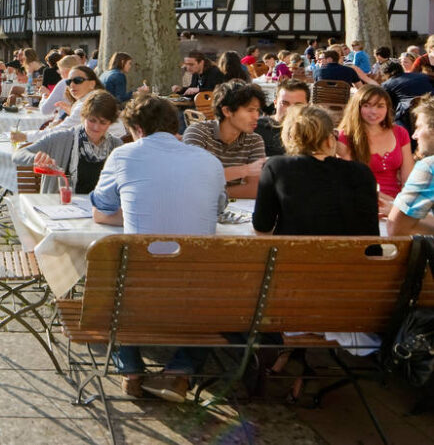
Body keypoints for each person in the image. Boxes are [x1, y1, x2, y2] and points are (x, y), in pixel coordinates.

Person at [90, 95, 227, 401]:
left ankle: (132, 370)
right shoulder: (209, 160)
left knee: (115, 283)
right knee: (209, 292)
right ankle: (179, 372)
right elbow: (219, 207)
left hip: (139, 286)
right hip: (196, 288)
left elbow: (102, 204)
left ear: (137, 129)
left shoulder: (124, 155)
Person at [254, 104, 378, 236]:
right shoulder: (361, 172)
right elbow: (371, 234)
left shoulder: (277, 167)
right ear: (329, 140)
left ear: (289, 138)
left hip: (293, 254)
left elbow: (262, 226)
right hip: (349, 255)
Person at [15, 90, 123, 193]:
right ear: (83, 117)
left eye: (103, 122)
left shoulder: (116, 145)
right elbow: (19, 154)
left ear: (110, 123)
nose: (96, 127)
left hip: (102, 208)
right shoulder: (62, 138)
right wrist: (36, 158)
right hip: (62, 205)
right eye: (92, 120)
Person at [182, 80, 268, 199]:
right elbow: (194, 180)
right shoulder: (198, 133)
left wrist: (211, 192)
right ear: (227, 111)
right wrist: (245, 170)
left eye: (257, 111)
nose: (256, 117)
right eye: (250, 110)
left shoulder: (254, 140)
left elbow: (254, 189)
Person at [337, 84, 413, 198]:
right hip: (362, 200)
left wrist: (401, 205)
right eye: (367, 105)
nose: (374, 111)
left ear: (387, 108)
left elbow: (408, 179)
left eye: (380, 106)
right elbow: (348, 182)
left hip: (397, 202)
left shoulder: (400, 133)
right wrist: (388, 203)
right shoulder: (345, 137)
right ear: (357, 108)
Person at [388, 96, 434, 235]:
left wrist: (394, 211)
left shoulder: (429, 167)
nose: (415, 135)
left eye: (419, 127)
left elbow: (395, 229)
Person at [254, 79, 310, 157]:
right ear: (275, 103)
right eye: (285, 103)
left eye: (298, 105)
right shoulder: (257, 128)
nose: (290, 109)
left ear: (308, 106)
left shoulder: (313, 131)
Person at [51, 65, 107, 130]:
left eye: (78, 80)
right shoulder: (94, 99)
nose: (71, 85)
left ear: (92, 84)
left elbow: (59, 131)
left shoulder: (91, 103)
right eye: (68, 82)